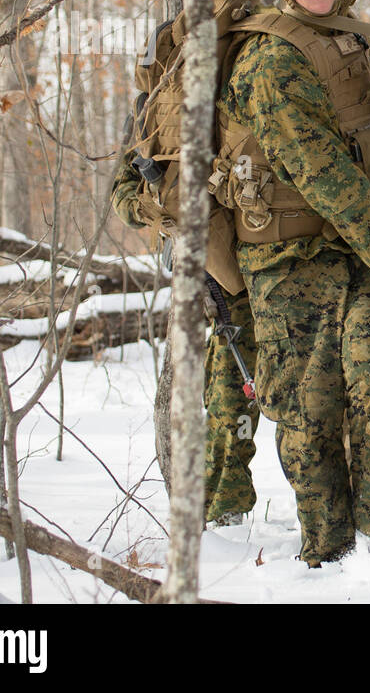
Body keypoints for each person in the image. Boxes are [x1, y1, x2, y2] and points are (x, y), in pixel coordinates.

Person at [212, 0, 370, 565]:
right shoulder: (270, 62)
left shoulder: (347, 38)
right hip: (290, 262)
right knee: (310, 412)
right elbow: (322, 172)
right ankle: (326, 556)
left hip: (354, 250)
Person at [110, 150, 260, 528]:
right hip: (225, 272)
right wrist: (162, 215)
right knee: (232, 394)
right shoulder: (158, 112)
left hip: (282, 256)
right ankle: (225, 507)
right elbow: (123, 193)